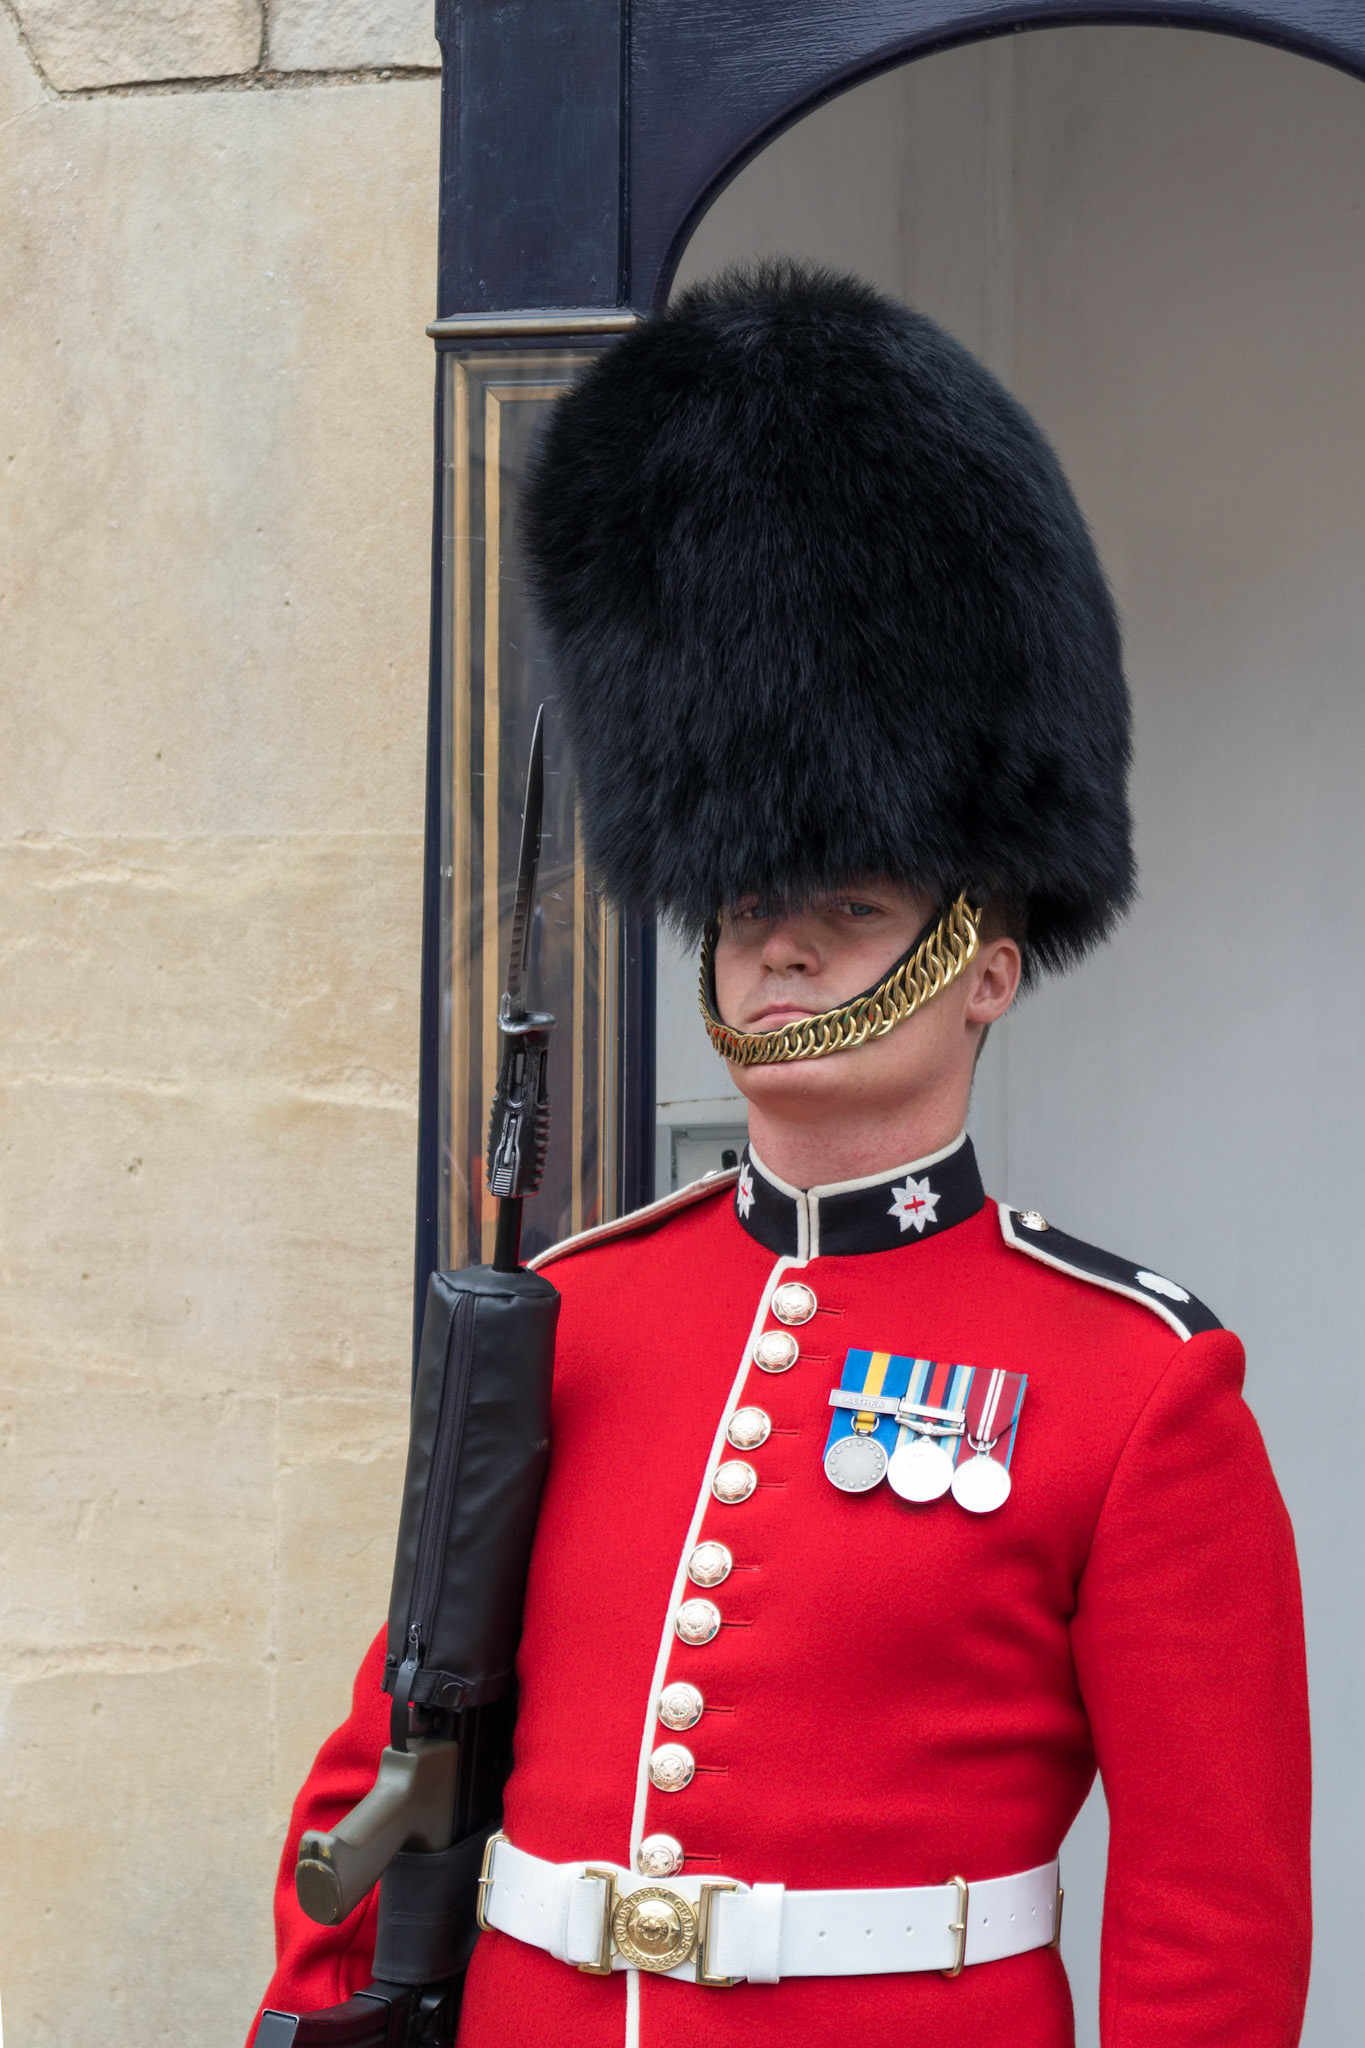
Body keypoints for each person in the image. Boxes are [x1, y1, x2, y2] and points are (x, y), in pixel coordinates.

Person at [250, 264, 1310, 2048]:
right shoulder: (572, 1314)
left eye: (849, 902)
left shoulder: (1134, 1387)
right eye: (753, 903)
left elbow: (1212, 1919)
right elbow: (391, 1758)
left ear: (984, 966)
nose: (785, 946)